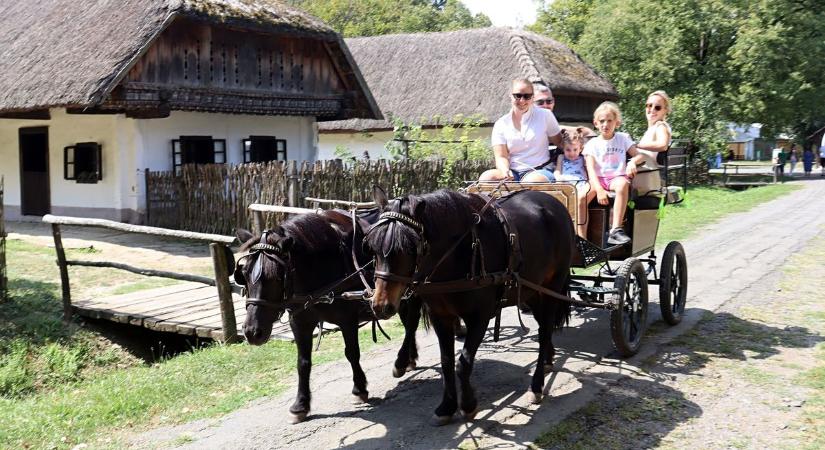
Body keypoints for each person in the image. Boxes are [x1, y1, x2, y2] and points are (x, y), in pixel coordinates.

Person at [479, 78, 562, 183]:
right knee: (486, 177)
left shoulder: (545, 115)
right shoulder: (501, 124)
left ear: (533, 97)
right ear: (510, 95)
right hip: (513, 173)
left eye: (527, 96)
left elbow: (560, 143)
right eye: (518, 96)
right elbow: (501, 156)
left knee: (531, 181)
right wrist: (505, 170)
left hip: (540, 170)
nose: (522, 100)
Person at [583, 102, 643, 245]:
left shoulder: (622, 139)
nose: (606, 124)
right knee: (580, 198)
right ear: (596, 123)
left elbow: (639, 156)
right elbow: (590, 169)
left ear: (617, 122)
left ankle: (615, 230)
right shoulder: (592, 144)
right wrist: (599, 190)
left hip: (616, 177)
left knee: (622, 185)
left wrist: (632, 162)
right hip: (597, 179)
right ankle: (580, 238)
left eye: (609, 121)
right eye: (602, 121)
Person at [554, 128, 596, 238]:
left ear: (580, 148)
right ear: (563, 148)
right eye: (568, 150)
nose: (572, 153)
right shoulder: (561, 157)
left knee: (579, 199)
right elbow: (557, 170)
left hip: (581, 183)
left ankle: (581, 235)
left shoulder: (583, 158)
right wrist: (558, 177)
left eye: (575, 149)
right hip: (566, 183)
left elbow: (588, 172)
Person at [633, 90, 672, 196]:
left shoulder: (661, 126)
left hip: (647, 175)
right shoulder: (652, 128)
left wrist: (636, 145)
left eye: (657, 107)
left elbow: (663, 145)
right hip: (643, 172)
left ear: (665, 111)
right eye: (649, 105)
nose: (652, 109)